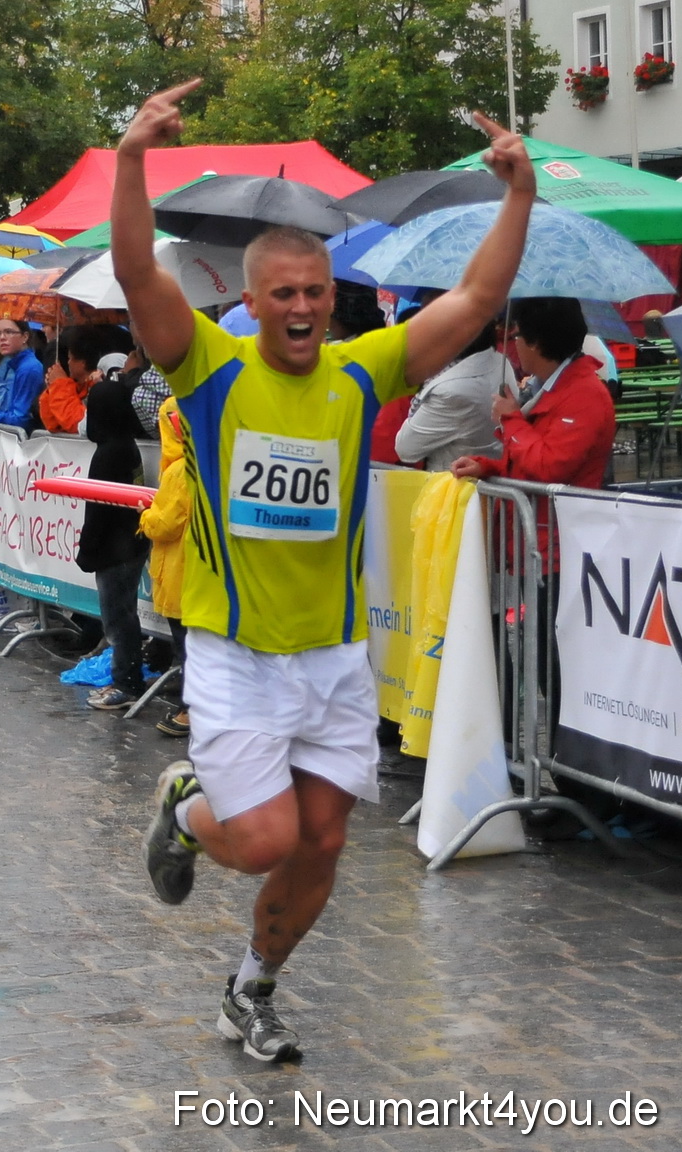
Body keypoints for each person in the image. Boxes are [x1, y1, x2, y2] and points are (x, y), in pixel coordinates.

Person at [114, 80, 535, 1062]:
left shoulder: (362, 369)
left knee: (325, 845)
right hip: (237, 651)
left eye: (316, 293)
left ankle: (250, 991)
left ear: (329, 299)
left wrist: (515, 194)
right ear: (251, 299)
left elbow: (475, 300)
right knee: (262, 840)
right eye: (283, 294)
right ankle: (185, 807)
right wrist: (133, 156)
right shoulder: (210, 367)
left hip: (336, 658)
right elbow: (137, 273)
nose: (302, 308)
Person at [450, 297, 616, 491]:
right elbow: (528, 463)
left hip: (558, 519)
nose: (513, 340)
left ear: (534, 342)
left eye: (516, 335)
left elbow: (550, 468)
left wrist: (510, 418)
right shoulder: (547, 386)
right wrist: (486, 467)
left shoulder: (585, 396)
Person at [74, 340, 151, 711]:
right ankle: (127, 677)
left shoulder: (108, 454)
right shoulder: (125, 445)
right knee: (123, 616)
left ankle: (126, 682)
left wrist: (88, 550)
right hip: (130, 545)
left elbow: (99, 508)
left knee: (118, 620)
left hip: (115, 550)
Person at [139, 396, 192, 738]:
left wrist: (145, 516)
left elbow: (167, 522)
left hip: (180, 573)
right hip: (190, 573)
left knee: (188, 646)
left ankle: (192, 709)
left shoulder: (179, 471)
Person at [394, 319, 511, 471]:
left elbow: (405, 448)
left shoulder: (450, 391)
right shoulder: (501, 361)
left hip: (454, 485)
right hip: (486, 477)